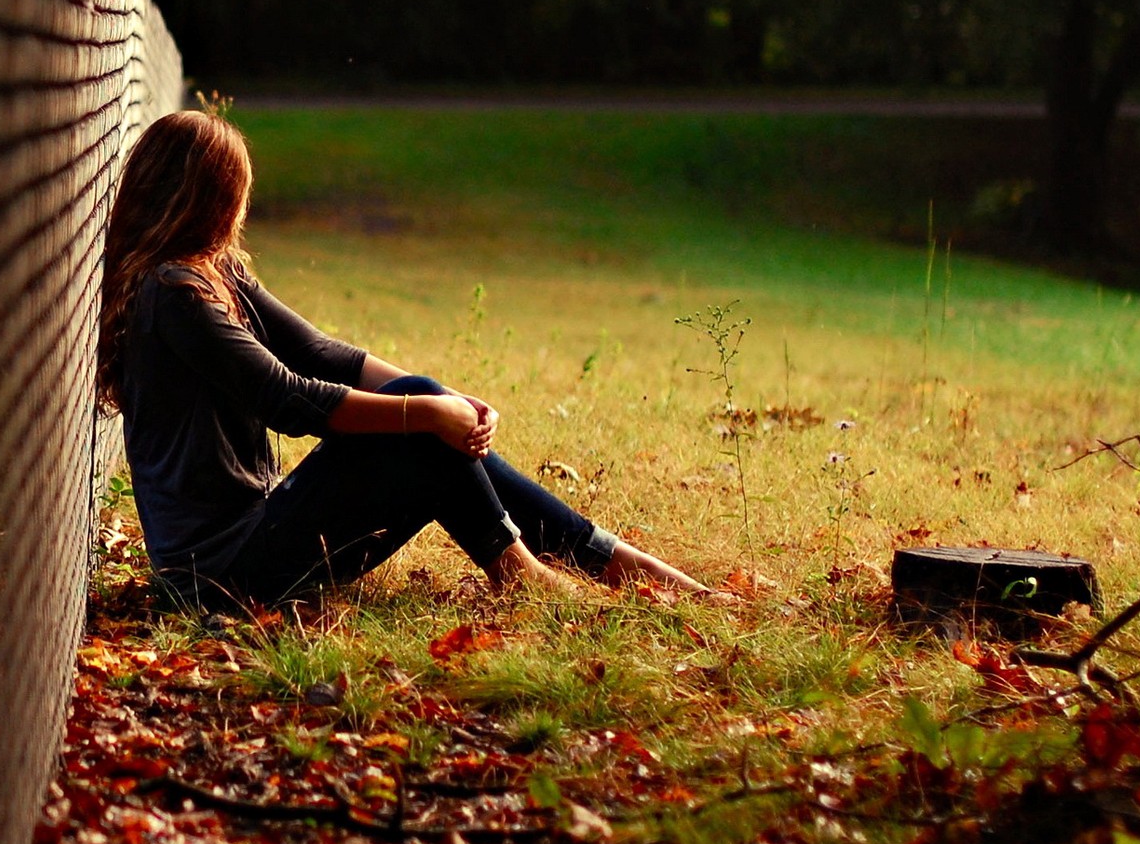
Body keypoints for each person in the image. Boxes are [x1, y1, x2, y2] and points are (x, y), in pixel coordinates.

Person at [96, 109, 725, 609]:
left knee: (421, 409)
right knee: (417, 421)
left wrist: (443, 402)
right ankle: (528, 573)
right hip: (217, 574)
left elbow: (319, 352)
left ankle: (609, 560)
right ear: (210, 201)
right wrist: (424, 412)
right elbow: (287, 399)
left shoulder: (211, 273)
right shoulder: (173, 293)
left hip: (254, 538)